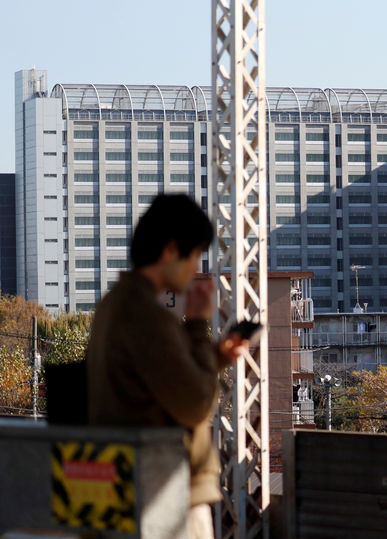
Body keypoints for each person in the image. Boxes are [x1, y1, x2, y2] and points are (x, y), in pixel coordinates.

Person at [86, 194, 246, 539]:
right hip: (165, 497)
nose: (197, 268)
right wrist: (198, 325)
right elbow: (196, 403)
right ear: (171, 250)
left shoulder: (114, 305)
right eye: (195, 255)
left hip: (131, 489)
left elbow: (158, 382)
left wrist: (216, 357)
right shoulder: (146, 316)